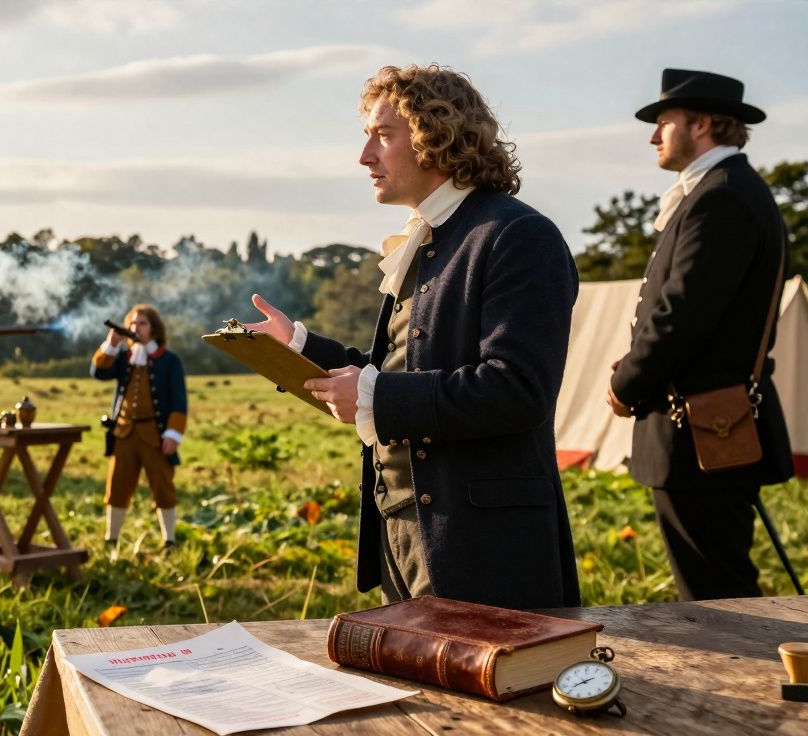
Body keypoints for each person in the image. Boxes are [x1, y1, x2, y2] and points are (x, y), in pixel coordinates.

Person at [245, 65, 580, 610]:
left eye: (383, 136)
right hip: (404, 535)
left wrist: (377, 396)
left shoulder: (518, 237)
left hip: (482, 550)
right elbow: (404, 372)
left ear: (436, 135)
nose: (365, 157)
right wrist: (303, 348)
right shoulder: (426, 239)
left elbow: (518, 390)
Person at [607, 69, 793, 601]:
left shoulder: (723, 197)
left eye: (663, 122)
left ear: (704, 124)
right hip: (701, 424)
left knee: (716, 595)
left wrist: (626, 384)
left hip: (702, 430)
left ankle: (748, 685)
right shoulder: (722, 191)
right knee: (714, 589)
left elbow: (680, 316)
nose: (653, 135)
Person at [91, 304, 188, 549]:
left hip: (155, 435)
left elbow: (179, 401)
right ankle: (111, 540)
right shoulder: (123, 358)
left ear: (154, 329)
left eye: (142, 324)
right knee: (117, 489)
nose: (136, 328)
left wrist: (173, 433)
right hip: (124, 433)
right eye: (133, 324)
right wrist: (111, 344)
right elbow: (98, 373)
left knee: (163, 488)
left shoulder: (169, 360)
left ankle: (170, 540)